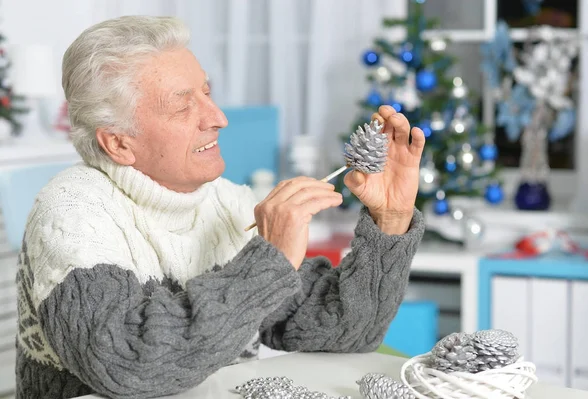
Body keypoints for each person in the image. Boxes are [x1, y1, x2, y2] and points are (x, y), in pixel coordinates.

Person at [15, 15, 426, 399]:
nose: (218, 117)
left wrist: (390, 220)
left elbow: (347, 332)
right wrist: (270, 259)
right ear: (119, 143)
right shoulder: (72, 212)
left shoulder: (230, 202)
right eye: (183, 105)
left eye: (207, 93)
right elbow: (127, 364)